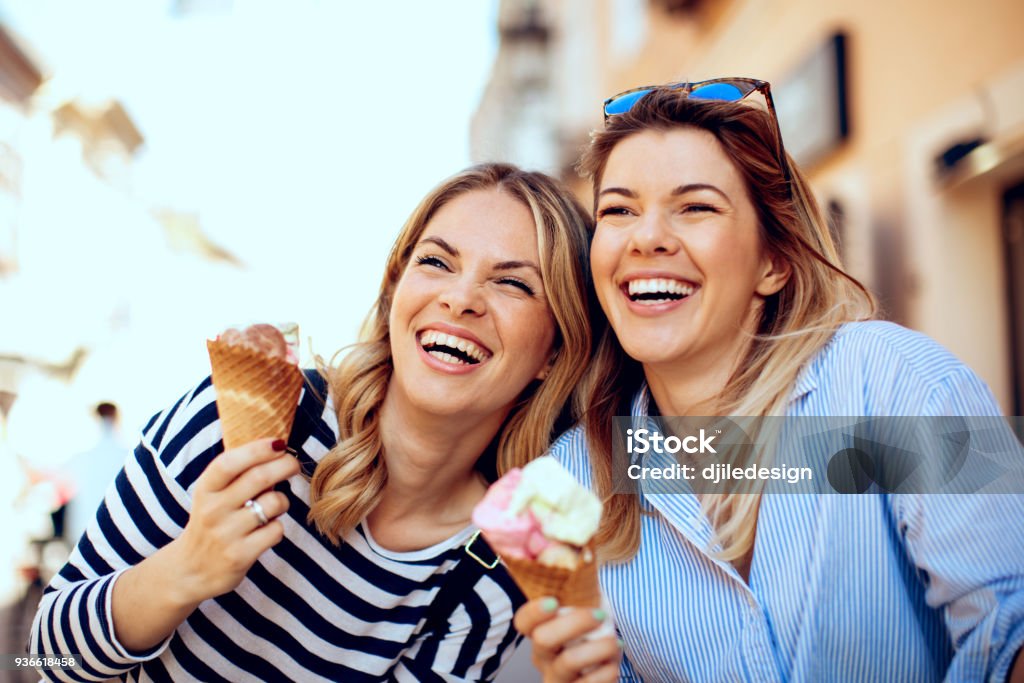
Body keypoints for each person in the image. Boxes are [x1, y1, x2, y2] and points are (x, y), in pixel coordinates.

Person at [514, 81, 1024, 682]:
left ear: (774, 262)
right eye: (618, 210)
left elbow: (1011, 625)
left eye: (695, 206)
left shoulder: (909, 382)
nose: (645, 237)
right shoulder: (570, 479)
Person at [30, 163, 594, 682]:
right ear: (396, 288)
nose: (460, 298)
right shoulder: (237, 421)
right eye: (436, 262)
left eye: (514, 283)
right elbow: (45, 651)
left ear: (554, 351)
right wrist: (185, 571)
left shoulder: (498, 562)